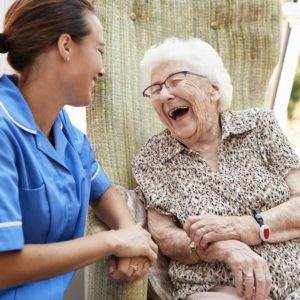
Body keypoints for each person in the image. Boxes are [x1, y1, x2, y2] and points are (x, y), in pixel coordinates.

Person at [0, 1, 158, 299]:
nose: (102, 70)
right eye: (99, 51)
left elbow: (102, 190)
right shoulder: (3, 130)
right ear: (66, 46)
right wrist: (113, 242)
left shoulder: (65, 131)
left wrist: (130, 231)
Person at [132, 37, 300, 300]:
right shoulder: (152, 158)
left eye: (176, 80)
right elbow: (165, 237)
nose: (165, 94)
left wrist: (244, 228)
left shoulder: (259, 126)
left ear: (213, 89)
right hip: (219, 289)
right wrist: (225, 248)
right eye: (156, 89)